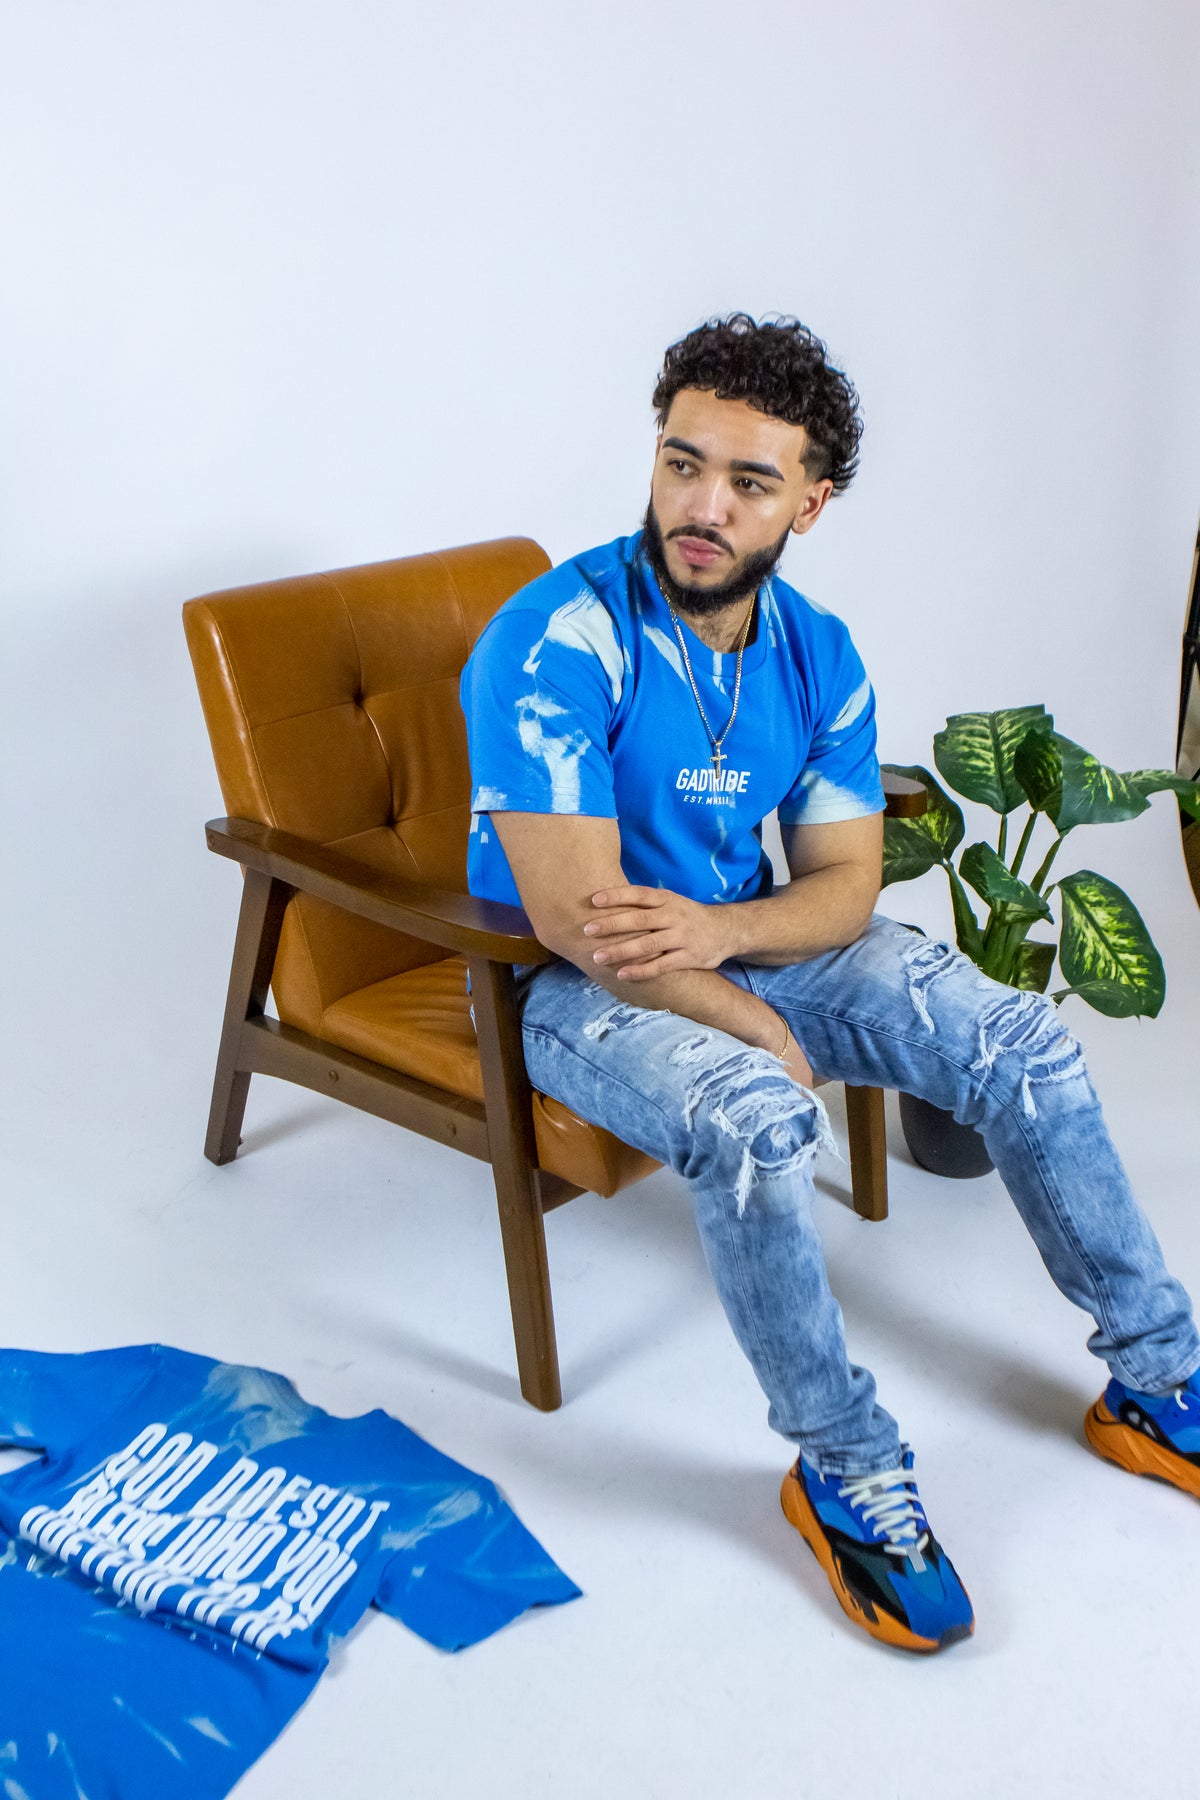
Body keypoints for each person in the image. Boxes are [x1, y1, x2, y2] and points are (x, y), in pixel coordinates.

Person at [459, 314, 1200, 1654]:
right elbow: (584, 923)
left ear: (812, 502)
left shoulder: (816, 651)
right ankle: (844, 1469)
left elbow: (845, 884)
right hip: (568, 990)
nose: (702, 507)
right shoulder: (559, 638)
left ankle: (1156, 1376)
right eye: (682, 463)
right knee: (758, 1121)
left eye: (749, 482)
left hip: (727, 937)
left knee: (1022, 1044)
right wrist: (748, 1016)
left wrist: (729, 938)